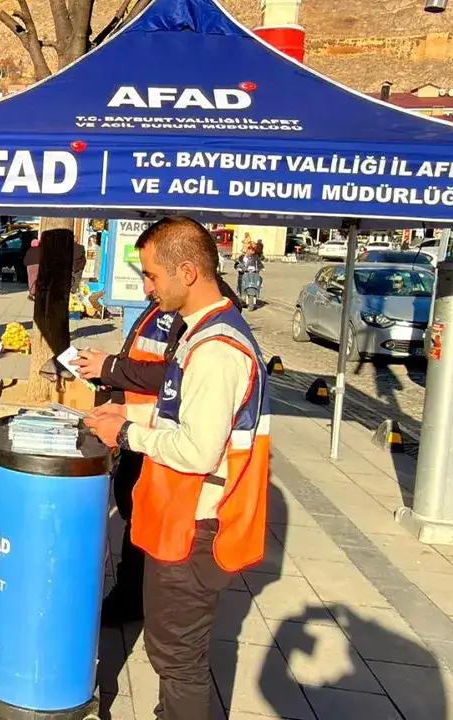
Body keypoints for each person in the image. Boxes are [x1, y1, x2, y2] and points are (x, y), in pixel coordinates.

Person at [84, 217, 270, 720]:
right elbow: (184, 414)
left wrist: (125, 434)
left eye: (151, 276)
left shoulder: (215, 349)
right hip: (179, 518)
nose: (146, 287)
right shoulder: (204, 332)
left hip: (195, 528)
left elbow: (197, 451)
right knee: (172, 652)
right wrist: (130, 412)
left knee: (179, 660)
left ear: (186, 272)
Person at [72, 278, 243, 628]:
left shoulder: (208, 321)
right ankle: (134, 592)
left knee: (150, 520)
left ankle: (137, 597)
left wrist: (112, 369)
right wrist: (114, 387)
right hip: (137, 427)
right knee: (134, 510)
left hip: (160, 439)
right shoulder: (168, 301)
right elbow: (143, 356)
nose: (147, 287)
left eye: (152, 275)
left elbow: (173, 376)